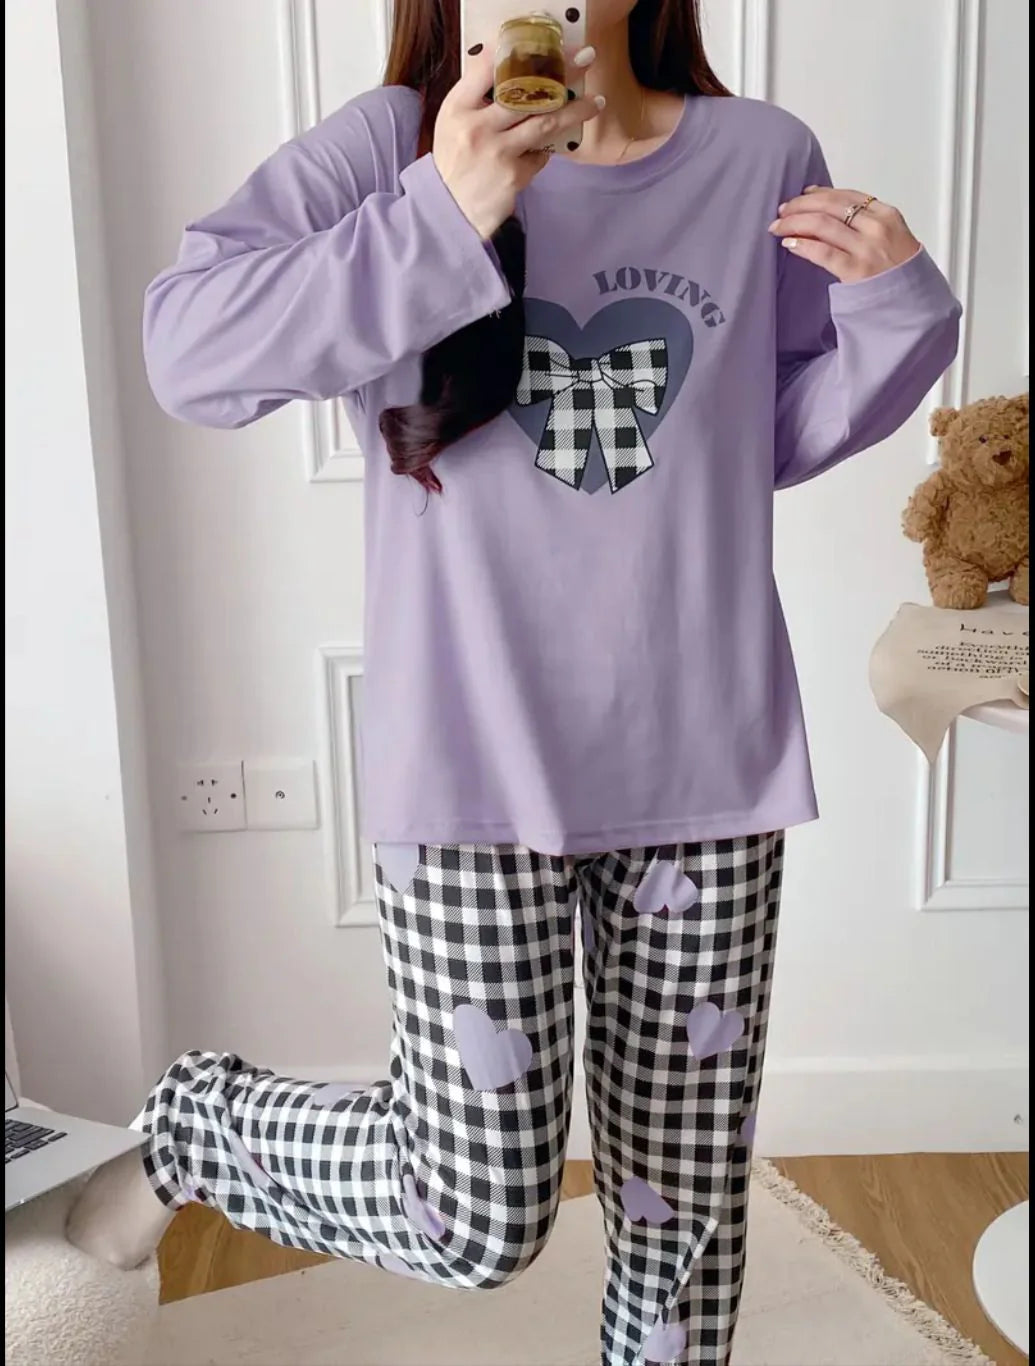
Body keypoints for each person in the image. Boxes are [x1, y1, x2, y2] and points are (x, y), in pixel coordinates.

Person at [67, 2, 961, 1362]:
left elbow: (757, 436)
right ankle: (198, 1124)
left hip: (703, 763)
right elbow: (188, 352)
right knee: (472, 1216)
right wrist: (443, 208)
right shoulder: (389, 144)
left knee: (682, 1222)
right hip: (470, 768)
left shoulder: (760, 156)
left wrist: (896, 315)